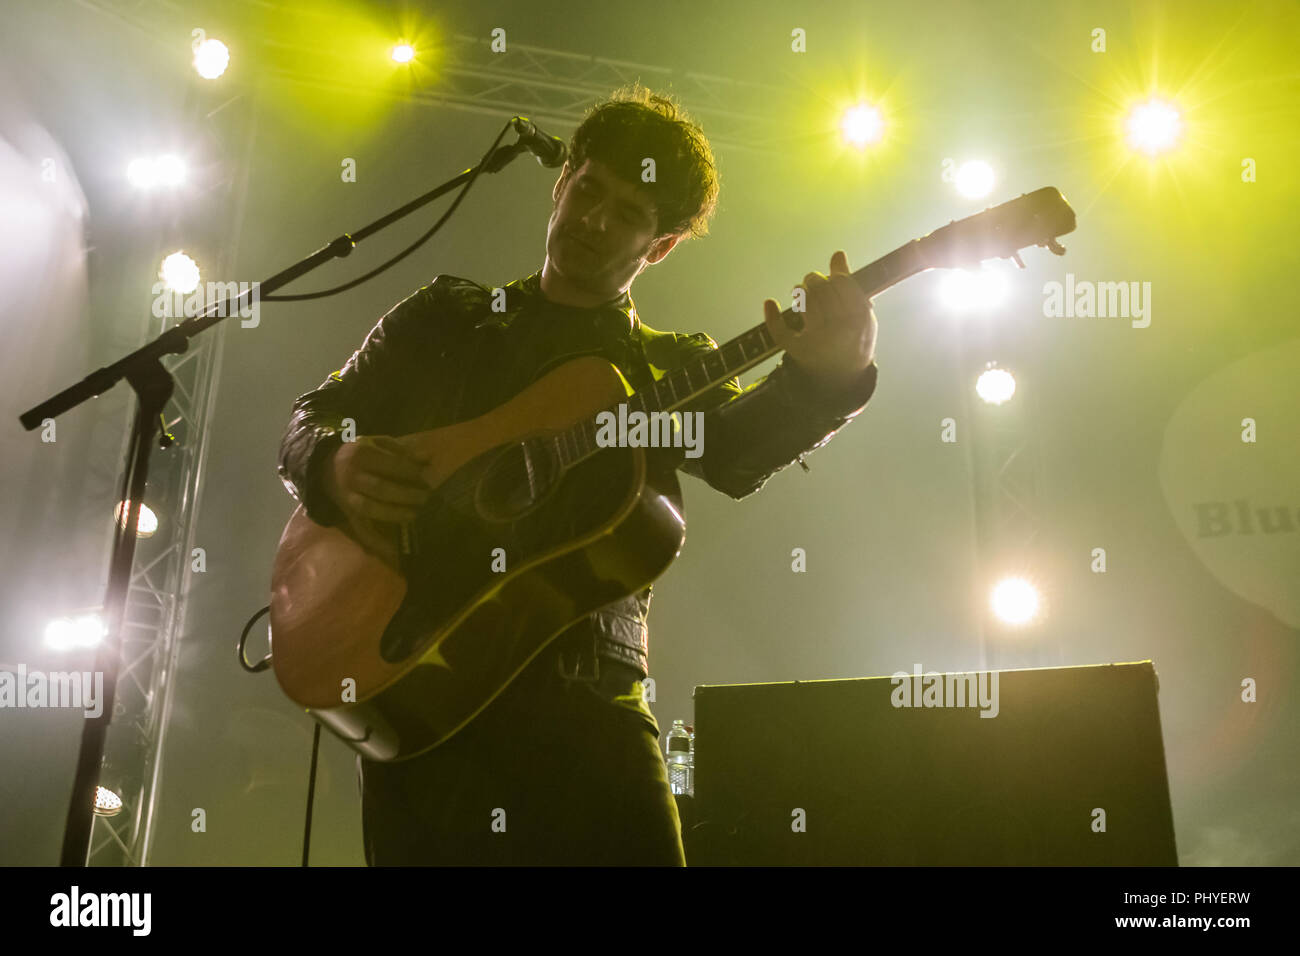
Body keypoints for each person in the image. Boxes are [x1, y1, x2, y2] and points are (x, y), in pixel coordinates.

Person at [276, 82, 879, 865]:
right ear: (561, 182)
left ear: (659, 246)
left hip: (588, 701)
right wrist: (331, 459)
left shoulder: (667, 366)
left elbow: (735, 451)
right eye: (589, 189)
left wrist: (829, 380)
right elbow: (315, 414)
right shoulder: (445, 317)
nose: (595, 220)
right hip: (420, 683)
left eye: (630, 211)